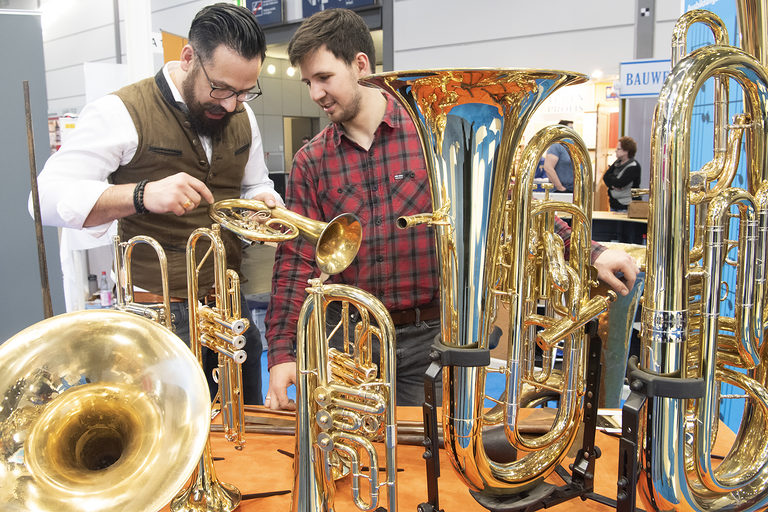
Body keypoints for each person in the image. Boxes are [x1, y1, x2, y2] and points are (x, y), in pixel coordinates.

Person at [264, 9, 639, 411]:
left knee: (434, 464)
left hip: (431, 338)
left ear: (360, 64)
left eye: (323, 78)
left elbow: (511, 205)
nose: (315, 93)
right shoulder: (312, 160)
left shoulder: (433, 130)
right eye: (308, 82)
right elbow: (295, 259)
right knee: (353, 459)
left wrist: (590, 253)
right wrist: (283, 352)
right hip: (350, 342)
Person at [29, 3, 281, 406]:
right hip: (157, 321)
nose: (232, 105)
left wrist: (263, 200)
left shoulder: (243, 117)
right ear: (188, 58)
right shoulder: (121, 111)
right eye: (221, 88)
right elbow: (42, 200)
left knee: (243, 445)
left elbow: (253, 183)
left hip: (230, 310)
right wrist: (141, 194)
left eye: (244, 91)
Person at [603, 136, 641, 212]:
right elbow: (605, 177)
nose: (615, 151)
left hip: (626, 207)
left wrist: (613, 182)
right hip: (614, 205)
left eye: (618, 149)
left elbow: (620, 183)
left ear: (626, 151)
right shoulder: (617, 163)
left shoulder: (634, 166)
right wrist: (613, 184)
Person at [541, 119, 575, 193]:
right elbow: (548, 168)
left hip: (574, 190)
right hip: (562, 191)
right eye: (570, 128)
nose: (572, 131)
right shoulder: (556, 146)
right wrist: (560, 188)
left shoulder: (572, 146)